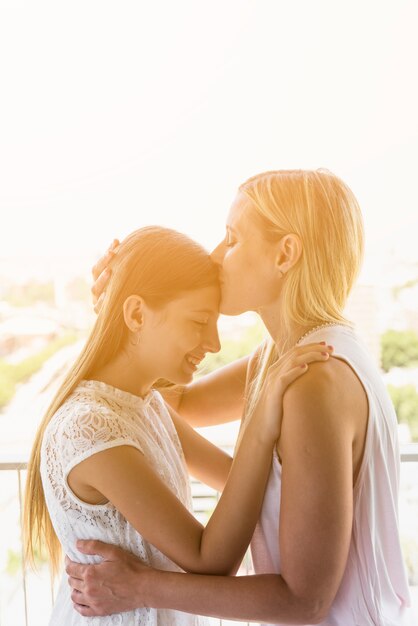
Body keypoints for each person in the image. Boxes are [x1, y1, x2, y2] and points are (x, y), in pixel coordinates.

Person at [66, 169, 413, 626]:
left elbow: (303, 602)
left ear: (285, 254)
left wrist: (138, 585)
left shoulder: (314, 381)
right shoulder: (284, 356)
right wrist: (124, 308)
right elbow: (182, 402)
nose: (214, 257)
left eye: (231, 239)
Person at [23, 225, 328, 626]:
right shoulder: (91, 429)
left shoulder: (146, 405)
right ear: (135, 313)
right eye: (200, 320)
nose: (215, 342)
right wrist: (261, 419)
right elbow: (210, 560)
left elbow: (245, 485)